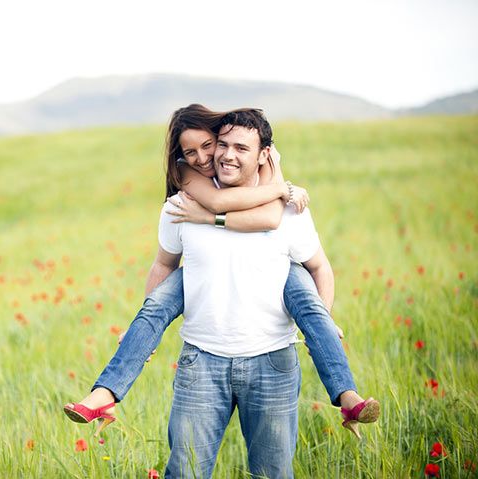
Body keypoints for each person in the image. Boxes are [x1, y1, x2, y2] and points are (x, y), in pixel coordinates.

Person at [63, 105, 379, 447]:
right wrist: (144, 329)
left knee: (305, 294)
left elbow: (309, 256)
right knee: (186, 467)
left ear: (263, 155)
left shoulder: (287, 208)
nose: (215, 156)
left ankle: (347, 396)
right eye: (221, 146)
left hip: (272, 361)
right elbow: (167, 260)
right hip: (201, 360)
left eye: (236, 148)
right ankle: (104, 394)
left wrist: (325, 320)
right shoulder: (183, 200)